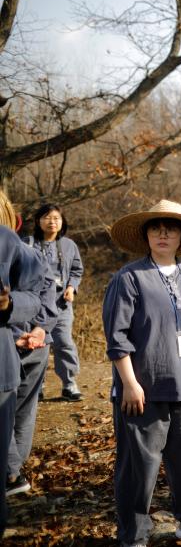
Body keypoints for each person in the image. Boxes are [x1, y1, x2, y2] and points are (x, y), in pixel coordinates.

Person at [103, 199, 181, 547]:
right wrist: (129, 383)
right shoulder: (129, 278)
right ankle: (134, 535)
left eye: (171, 227)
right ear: (146, 235)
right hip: (143, 391)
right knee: (138, 467)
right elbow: (117, 337)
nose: (163, 233)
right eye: (156, 227)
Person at [0, 191, 44, 535]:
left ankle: (13, 472)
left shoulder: (7, 243)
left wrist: (8, 304)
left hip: (4, 366)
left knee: (23, 413)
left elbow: (35, 298)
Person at [6, 207, 58, 499]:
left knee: (10, 411)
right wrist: (40, 329)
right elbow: (47, 292)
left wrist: (33, 332)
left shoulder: (19, 252)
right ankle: (16, 473)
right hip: (36, 340)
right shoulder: (31, 253)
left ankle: (12, 474)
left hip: (17, 343)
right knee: (24, 411)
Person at [24, 204, 84, 401]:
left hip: (61, 303)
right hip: (35, 303)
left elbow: (77, 270)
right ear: (38, 221)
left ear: (62, 222)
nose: (52, 222)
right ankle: (36, 385)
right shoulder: (28, 243)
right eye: (47, 218)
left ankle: (69, 384)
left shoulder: (69, 245)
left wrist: (71, 287)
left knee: (64, 342)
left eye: (56, 218)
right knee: (35, 343)